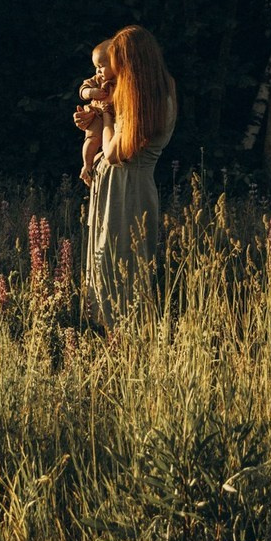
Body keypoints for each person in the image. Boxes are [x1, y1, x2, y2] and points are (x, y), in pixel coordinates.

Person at [73, 25, 176, 323]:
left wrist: (104, 115)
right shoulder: (160, 88)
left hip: (126, 186)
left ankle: (115, 328)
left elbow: (116, 151)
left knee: (116, 258)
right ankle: (108, 328)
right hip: (122, 183)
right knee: (118, 257)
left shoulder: (144, 101)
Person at [77, 39, 114, 187]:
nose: (98, 71)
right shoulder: (98, 79)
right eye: (96, 67)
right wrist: (92, 92)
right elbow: (82, 90)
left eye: (101, 66)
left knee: (106, 143)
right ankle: (87, 165)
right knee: (92, 140)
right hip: (96, 114)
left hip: (109, 116)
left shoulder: (120, 82)